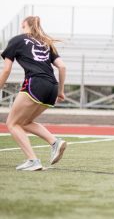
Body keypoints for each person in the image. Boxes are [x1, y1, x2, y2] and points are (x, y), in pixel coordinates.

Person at [0, 16, 67, 171]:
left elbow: (6, 70)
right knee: (24, 122)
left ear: (24, 25)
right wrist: (61, 91)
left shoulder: (16, 40)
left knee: (12, 123)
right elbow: (62, 67)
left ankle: (32, 160)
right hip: (52, 87)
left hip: (35, 83)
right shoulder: (46, 42)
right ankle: (55, 142)